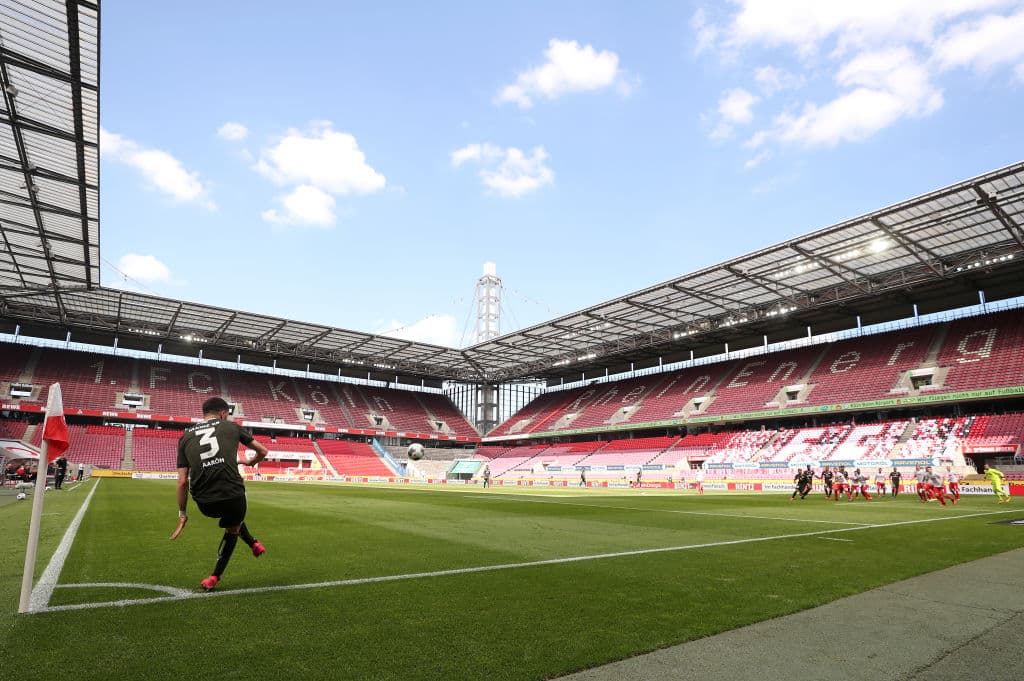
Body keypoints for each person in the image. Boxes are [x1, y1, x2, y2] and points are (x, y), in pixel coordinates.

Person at [177, 396, 270, 591]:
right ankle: (214, 577)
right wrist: (250, 463)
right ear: (223, 413)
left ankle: (253, 543)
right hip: (233, 496)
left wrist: (182, 514)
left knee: (232, 517)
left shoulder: (185, 437)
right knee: (233, 521)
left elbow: (182, 482)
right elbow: (262, 451)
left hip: (204, 503)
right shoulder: (232, 427)